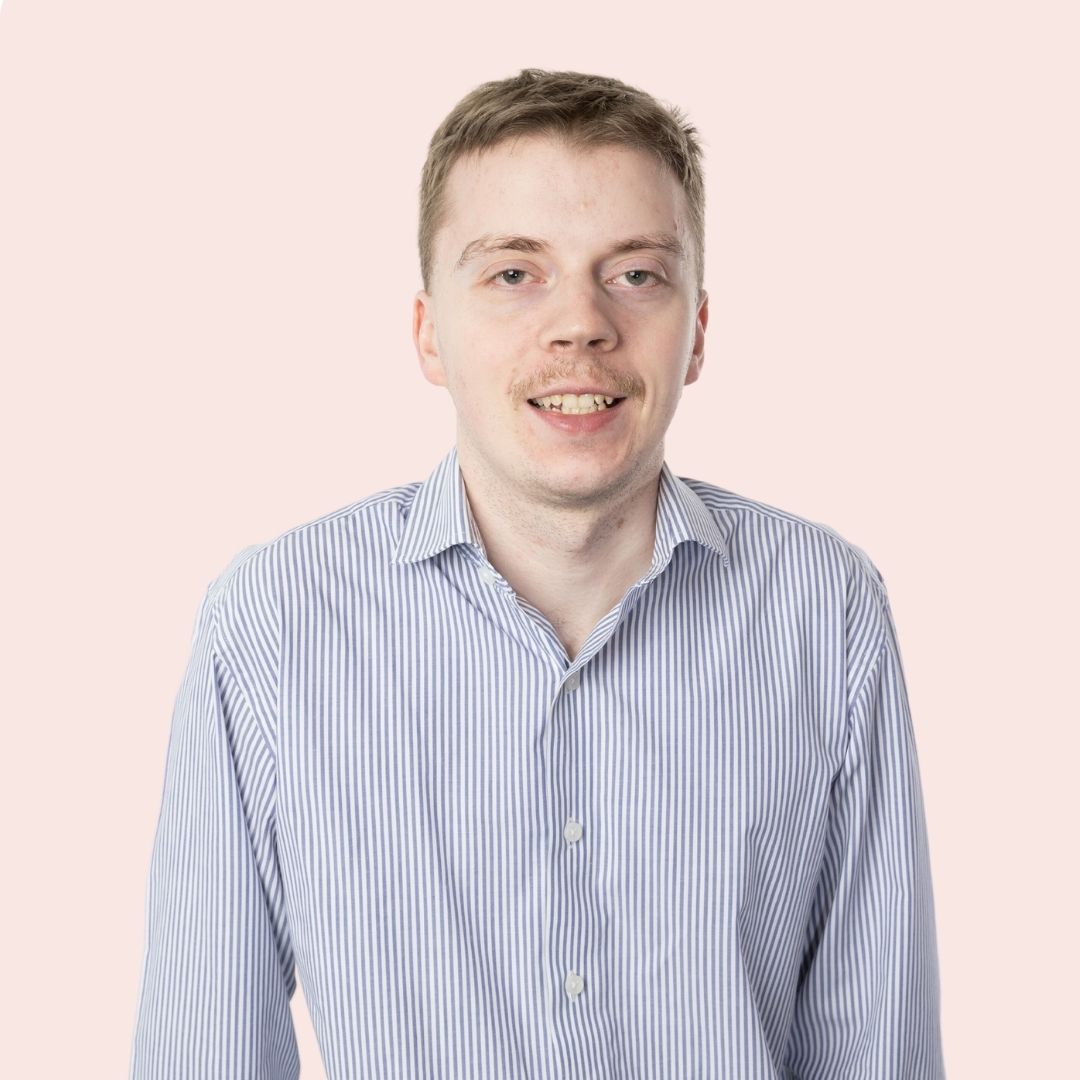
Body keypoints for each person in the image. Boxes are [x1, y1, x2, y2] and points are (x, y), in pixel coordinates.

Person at [129, 68, 945, 1079]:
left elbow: (879, 1052)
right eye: (515, 274)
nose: (581, 325)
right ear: (431, 332)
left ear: (697, 330)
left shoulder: (826, 609)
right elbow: (203, 1053)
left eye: (636, 274)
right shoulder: (276, 625)